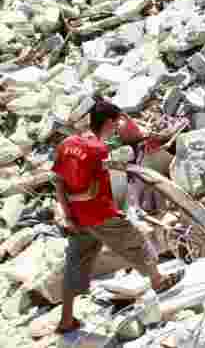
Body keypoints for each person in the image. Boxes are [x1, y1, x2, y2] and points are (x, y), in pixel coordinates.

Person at [52, 98, 182, 335]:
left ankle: (66, 319)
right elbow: (90, 191)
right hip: (100, 215)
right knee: (138, 242)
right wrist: (93, 199)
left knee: (75, 265)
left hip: (78, 220)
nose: (118, 127)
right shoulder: (97, 150)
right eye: (117, 123)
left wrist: (69, 214)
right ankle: (158, 281)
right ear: (109, 122)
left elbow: (59, 182)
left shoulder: (67, 144)